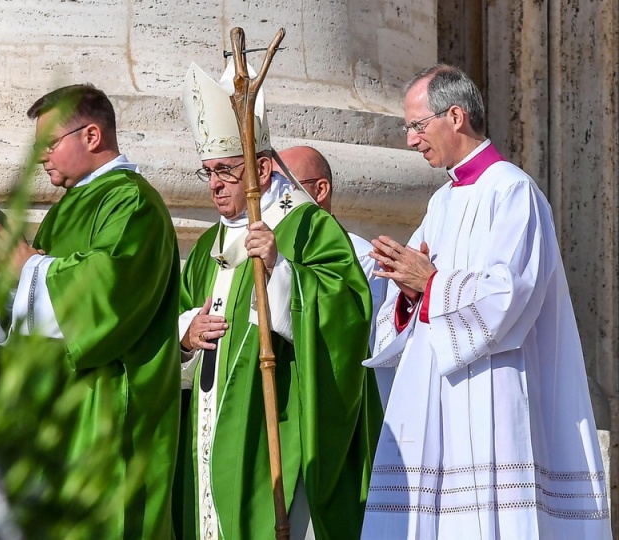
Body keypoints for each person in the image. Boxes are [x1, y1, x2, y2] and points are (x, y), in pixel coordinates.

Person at [362, 64, 611, 539]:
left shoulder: (513, 192)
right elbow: (414, 292)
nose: (411, 140)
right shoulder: (442, 202)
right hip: (439, 399)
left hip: (492, 391)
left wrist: (431, 283)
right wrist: (408, 291)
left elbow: (508, 295)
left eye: (417, 125)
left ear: (455, 116)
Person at [174, 61, 382, 540]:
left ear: (263, 169)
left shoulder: (308, 227)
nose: (214, 185)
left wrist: (281, 271)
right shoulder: (208, 245)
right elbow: (185, 318)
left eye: (225, 171)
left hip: (279, 435)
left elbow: (348, 316)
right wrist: (187, 335)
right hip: (210, 434)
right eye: (207, 172)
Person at [0, 84, 181, 539]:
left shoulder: (130, 201)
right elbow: (31, 292)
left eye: (49, 144)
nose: (41, 157)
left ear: (92, 136)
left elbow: (109, 287)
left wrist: (32, 268)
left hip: (111, 404)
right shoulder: (70, 205)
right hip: (62, 407)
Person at [274, 146, 391, 407]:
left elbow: (350, 340)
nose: (275, 200)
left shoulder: (361, 257)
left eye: (285, 188)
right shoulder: (272, 253)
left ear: (320, 190)